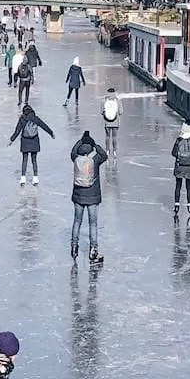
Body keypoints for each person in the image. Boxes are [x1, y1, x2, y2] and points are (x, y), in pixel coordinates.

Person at [68, 131, 109, 263]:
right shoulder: (95, 160)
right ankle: (93, 250)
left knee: (77, 222)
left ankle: (74, 246)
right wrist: (94, 143)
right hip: (93, 197)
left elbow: (73, 151)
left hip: (78, 197)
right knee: (93, 224)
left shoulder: (76, 159)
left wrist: (81, 140)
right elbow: (104, 155)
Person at [10, 103, 55, 186]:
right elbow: (44, 126)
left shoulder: (22, 119)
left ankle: (23, 179)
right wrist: (51, 133)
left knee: (25, 160)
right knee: (34, 160)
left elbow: (17, 131)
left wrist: (11, 140)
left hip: (25, 142)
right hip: (34, 141)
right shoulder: (35, 118)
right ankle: (35, 178)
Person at [172, 122, 190, 215]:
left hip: (179, 166)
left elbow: (173, 153)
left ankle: (176, 206)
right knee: (189, 187)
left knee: (178, 186)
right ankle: (189, 206)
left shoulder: (179, 139)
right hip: (189, 166)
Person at [101, 87, 122, 157]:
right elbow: (121, 112)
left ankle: (107, 150)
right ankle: (115, 151)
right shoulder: (117, 100)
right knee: (114, 137)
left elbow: (101, 112)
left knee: (107, 136)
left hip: (107, 122)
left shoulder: (104, 100)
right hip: (115, 121)